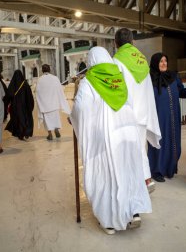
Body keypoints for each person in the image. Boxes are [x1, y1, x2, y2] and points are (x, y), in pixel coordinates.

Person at [70, 46, 151, 235]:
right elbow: (129, 102)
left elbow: (81, 108)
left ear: (91, 61)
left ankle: (109, 222)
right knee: (128, 171)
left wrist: (73, 118)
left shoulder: (89, 81)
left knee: (105, 176)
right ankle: (133, 211)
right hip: (128, 133)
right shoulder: (119, 78)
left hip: (106, 138)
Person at [113, 28, 161, 192]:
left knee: (127, 151)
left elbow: (117, 90)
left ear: (115, 43)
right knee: (140, 147)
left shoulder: (116, 62)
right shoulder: (142, 60)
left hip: (126, 115)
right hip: (143, 113)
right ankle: (146, 180)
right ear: (133, 42)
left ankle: (141, 181)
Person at [147, 53, 186, 180]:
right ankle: (156, 171)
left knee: (173, 142)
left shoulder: (173, 77)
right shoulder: (149, 80)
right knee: (158, 143)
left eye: (165, 61)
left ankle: (170, 168)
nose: (164, 63)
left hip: (173, 117)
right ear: (155, 63)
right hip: (158, 117)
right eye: (161, 61)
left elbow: (181, 92)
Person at [35, 64, 70, 140]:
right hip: (54, 104)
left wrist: (41, 103)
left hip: (45, 105)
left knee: (47, 120)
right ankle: (56, 129)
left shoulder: (40, 80)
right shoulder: (55, 78)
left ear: (42, 70)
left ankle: (50, 134)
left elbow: (38, 92)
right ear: (49, 70)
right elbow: (60, 89)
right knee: (55, 118)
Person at [5, 70, 34, 140]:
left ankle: (20, 134)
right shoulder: (25, 84)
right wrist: (31, 105)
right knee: (25, 119)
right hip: (25, 106)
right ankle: (26, 132)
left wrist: (6, 104)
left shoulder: (12, 84)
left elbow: (8, 95)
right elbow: (29, 96)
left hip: (15, 107)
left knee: (17, 120)